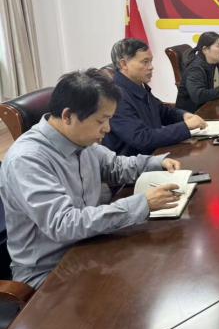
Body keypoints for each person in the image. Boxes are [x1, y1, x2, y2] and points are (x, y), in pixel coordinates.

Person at [0, 69, 183, 288]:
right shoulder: (27, 160)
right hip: (50, 272)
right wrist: (142, 204)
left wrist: (155, 163)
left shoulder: (79, 140)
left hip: (89, 245)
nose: (107, 129)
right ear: (68, 116)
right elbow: (64, 224)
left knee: (162, 264)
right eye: (101, 121)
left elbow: (114, 166)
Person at [103, 39, 207, 156]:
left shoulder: (138, 85)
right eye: (145, 62)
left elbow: (162, 111)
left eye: (150, 61)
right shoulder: (116, 96)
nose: (151, 67)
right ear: (124, 64)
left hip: (154, 154)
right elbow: (142, 138)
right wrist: (185, 127)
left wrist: (183, 116)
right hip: (136, 162)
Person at [176, 32, 219, 113]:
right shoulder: (195, 69)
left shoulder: (216, 64)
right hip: (192, 114)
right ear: (205, 49)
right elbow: (198, 96)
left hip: (208, 108)